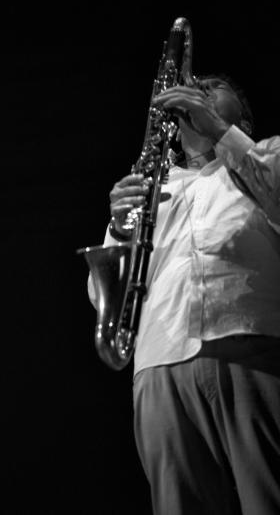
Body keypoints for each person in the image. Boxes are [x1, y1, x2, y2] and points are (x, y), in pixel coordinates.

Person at [95, 75, 280, 514]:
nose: (196, 88)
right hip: (160, 360)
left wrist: (218, 130)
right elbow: (107, 294)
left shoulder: (266, 154)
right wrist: (120, 228)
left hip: (251, 344)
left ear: (243, 116)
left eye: (213, 87)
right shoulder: (154, 186)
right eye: (193, 86)